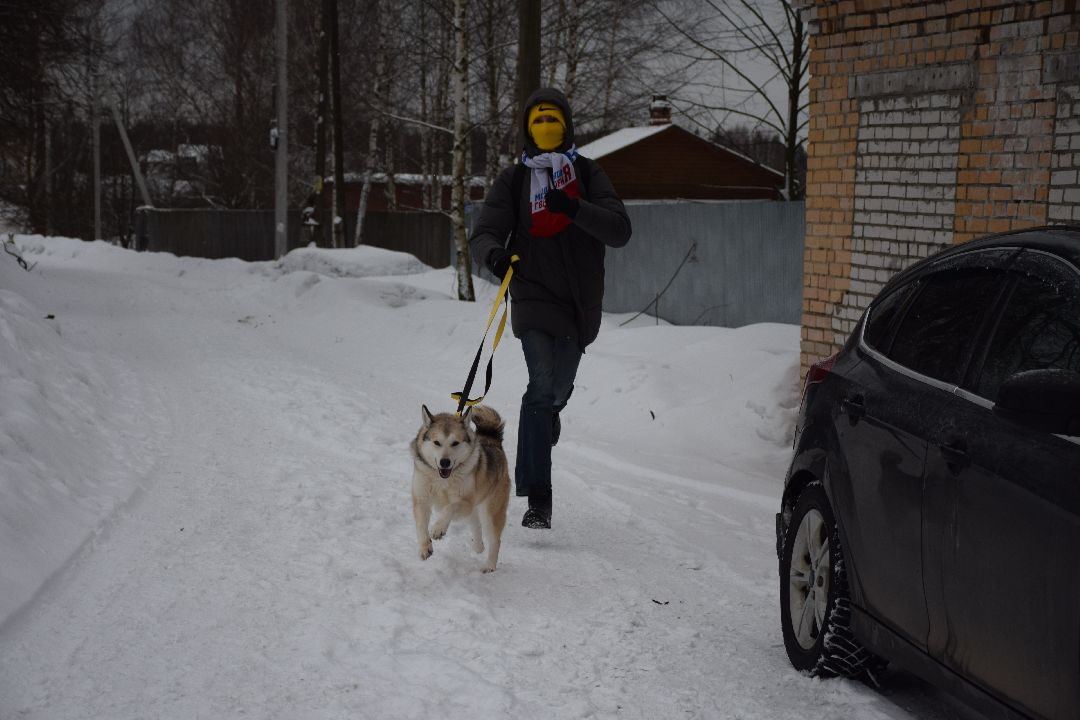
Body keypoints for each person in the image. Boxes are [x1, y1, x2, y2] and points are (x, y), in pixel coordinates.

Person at [468, 87, 632, 529]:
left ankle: (549, 418)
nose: (545, 126)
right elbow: (484, 233)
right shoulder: (515, 180)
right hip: (532, 294)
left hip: (579, 303)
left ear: (567, 124)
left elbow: (619, 230)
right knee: (540, 388)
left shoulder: (587, 172)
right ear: (526, 128)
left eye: (552, 118)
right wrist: (496, 256)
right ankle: (538, 500)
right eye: (537, 119)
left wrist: (573, 207)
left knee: (557, 390)